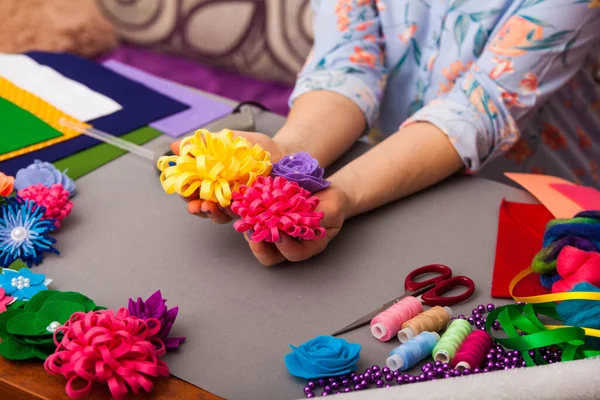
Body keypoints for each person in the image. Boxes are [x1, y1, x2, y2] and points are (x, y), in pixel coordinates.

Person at [176, 0, 600, 265]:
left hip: (534, 200)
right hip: (390, 174)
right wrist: (290, 154)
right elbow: (348, 63)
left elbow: (478, 109)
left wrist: (343, 194)